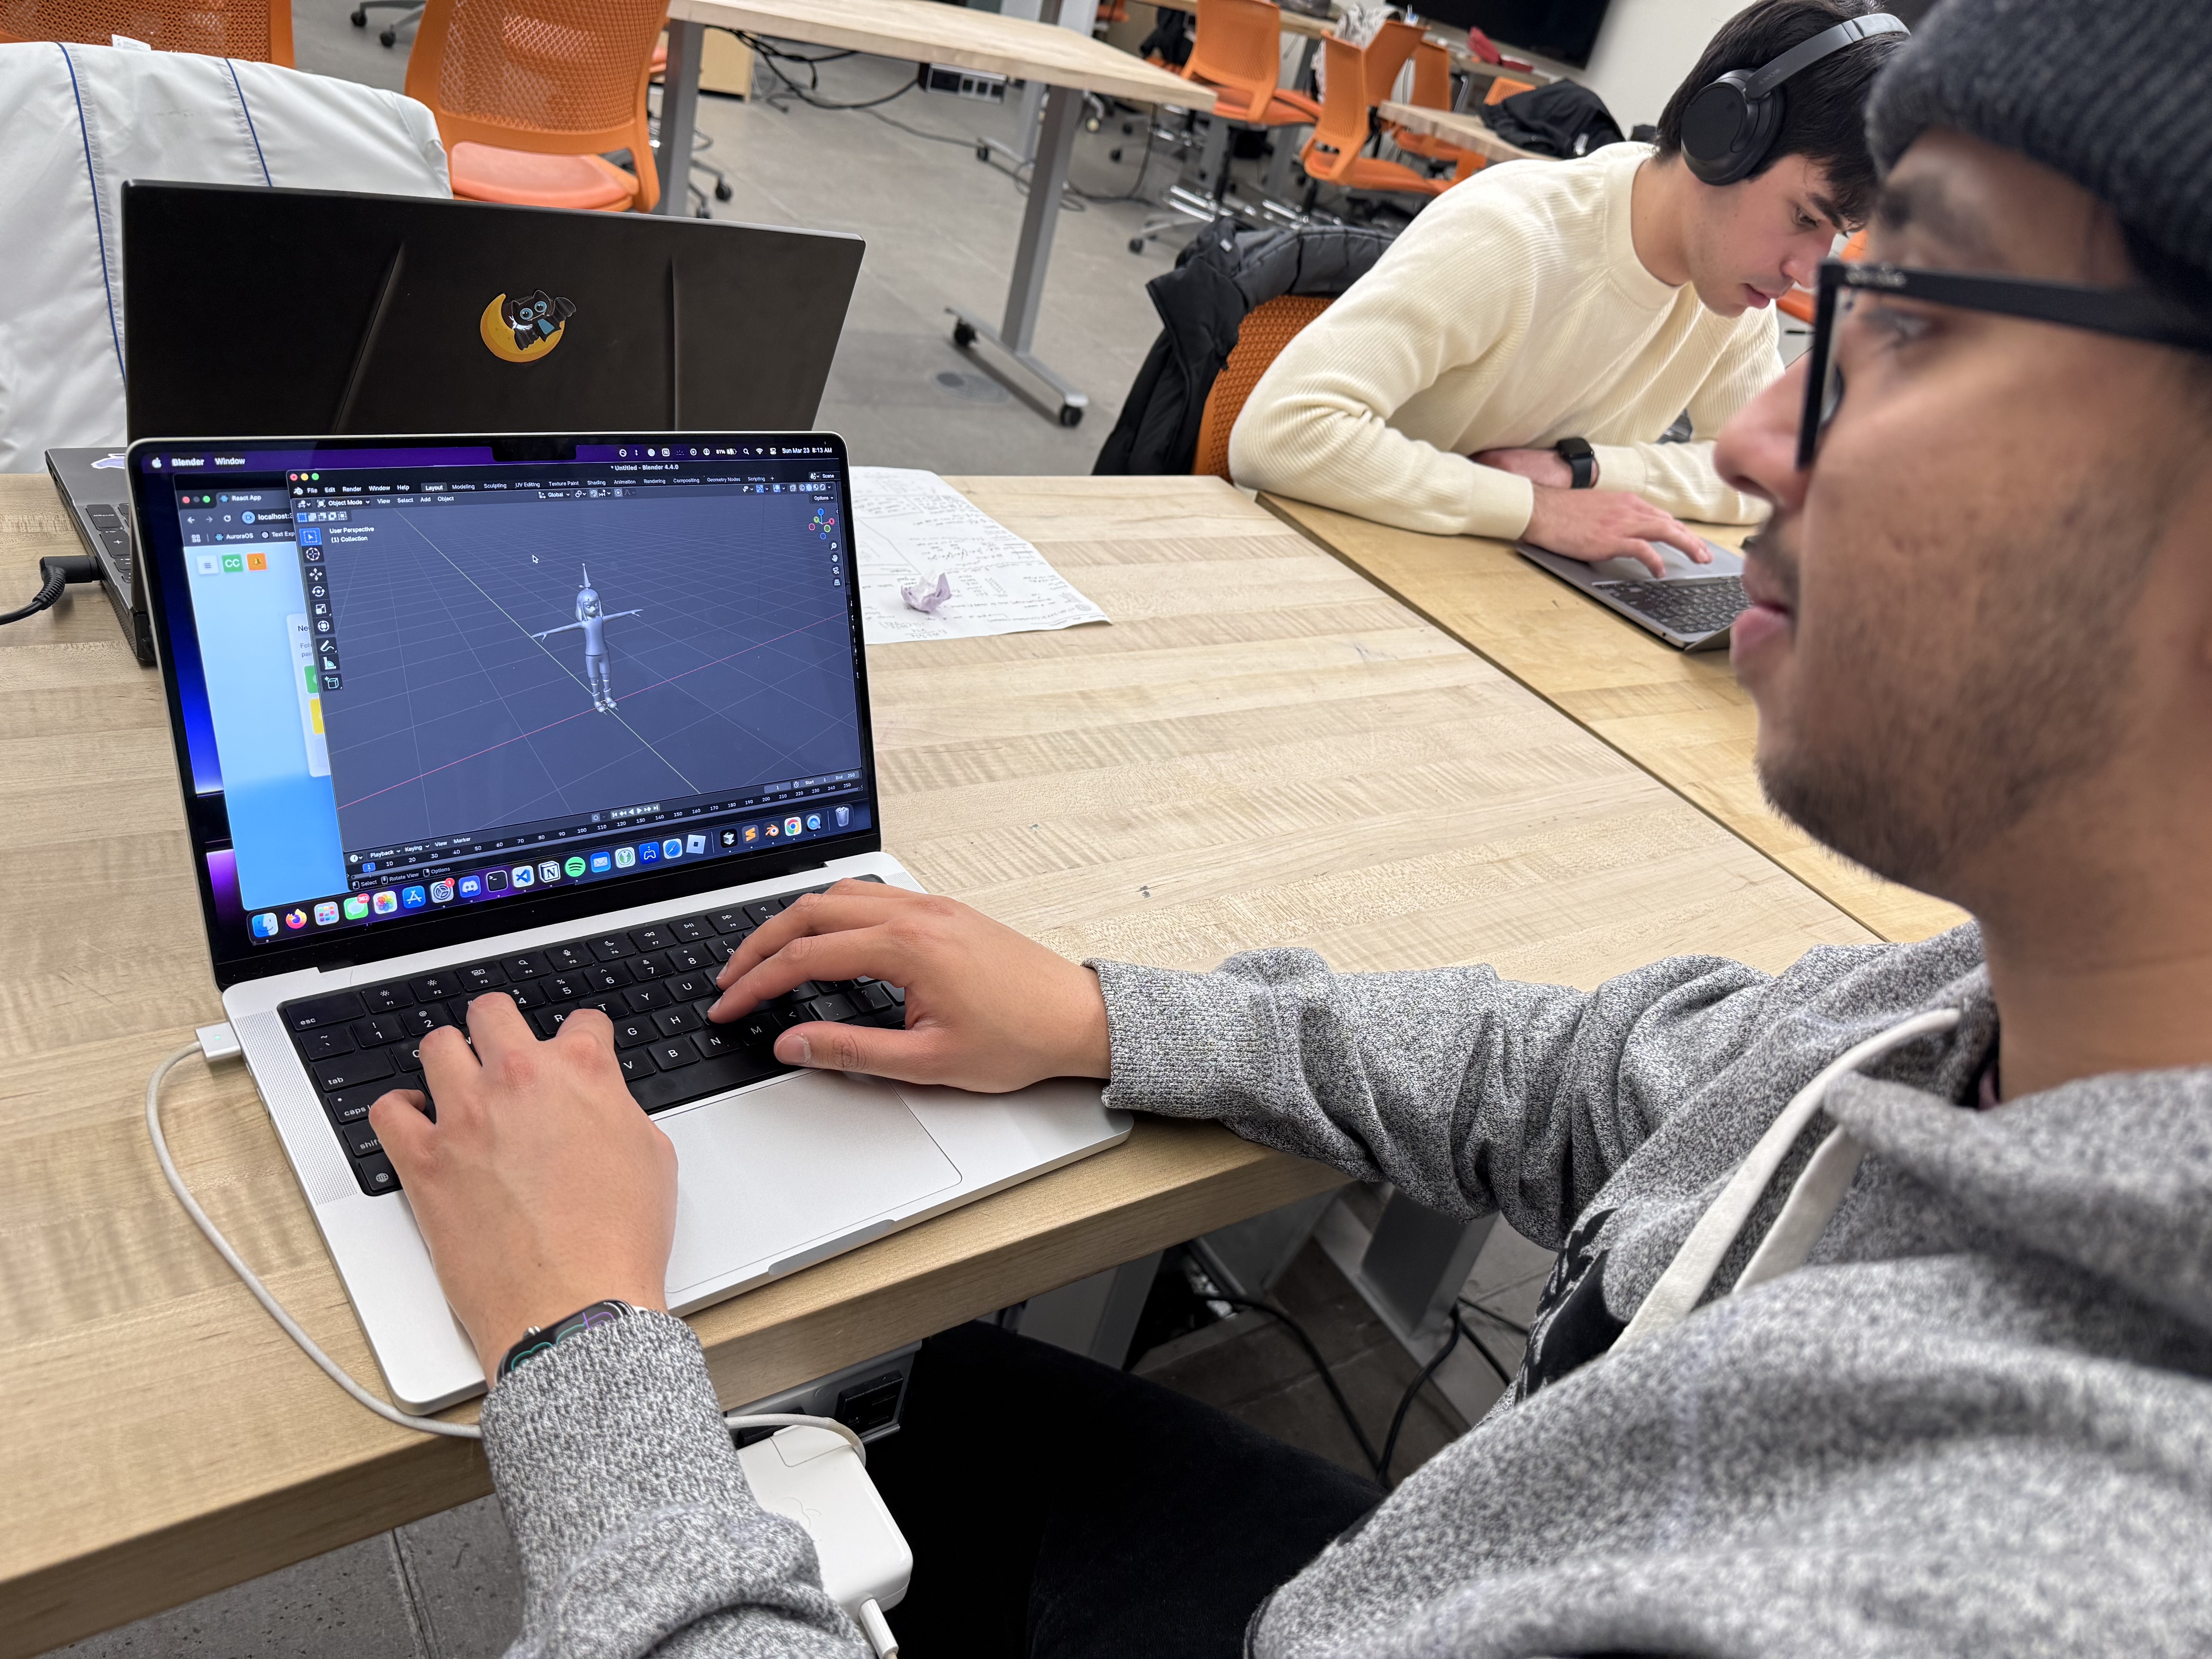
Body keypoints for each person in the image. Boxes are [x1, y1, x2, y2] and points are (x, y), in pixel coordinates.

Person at [368, 0, 2212, 1649]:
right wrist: (1103, 1014)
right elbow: (1597, 1081)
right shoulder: (1965, 1010)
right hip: (1456, 1539)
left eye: (1921, 322)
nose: (1756, 447)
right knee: (968, 1412)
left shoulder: (2020, 1575)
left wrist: (578, 1342)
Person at [1227, 0, 1905, 575]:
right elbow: (1281, 433)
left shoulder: (1731, 296)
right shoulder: (1512, 235)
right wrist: (1534, 510)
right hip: (1325, 568)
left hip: (1476, 586)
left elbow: (1767, 476)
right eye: (1805, 218)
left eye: (1837, 234)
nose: (1807, 271)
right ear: (1723, 136)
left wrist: (1583, 472)